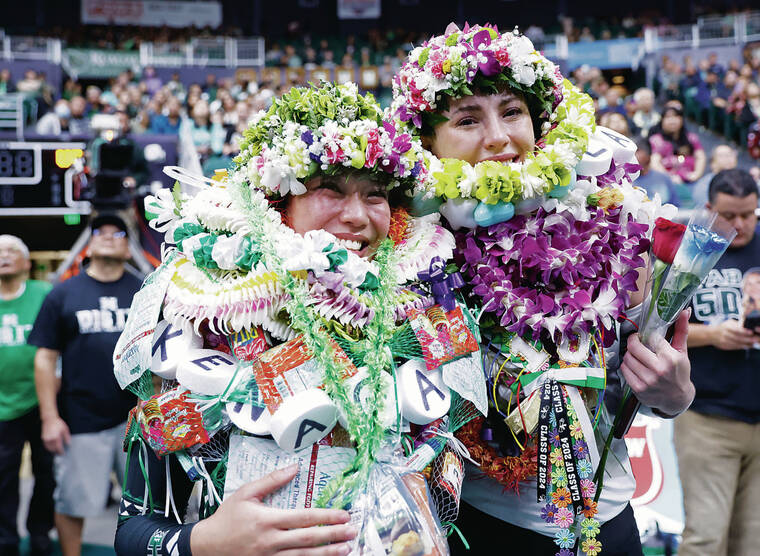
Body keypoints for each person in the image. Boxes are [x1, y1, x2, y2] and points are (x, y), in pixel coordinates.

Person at [114, 82, 461, 556]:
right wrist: (204, 542)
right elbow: (134, 533)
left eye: (375, 194)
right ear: (277, 203)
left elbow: (449, 489)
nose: (357, 216)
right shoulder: (199, 319)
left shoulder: (425, 319)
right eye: (329, 189)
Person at [391, 24, 693, 555]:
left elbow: (661, 386)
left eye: (512, 112)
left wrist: (674, 394)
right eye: (467, 120)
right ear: (425, 143)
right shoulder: (412, 254)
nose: (499, 137)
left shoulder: (613, 222)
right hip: (480, 528)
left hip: (611, 524)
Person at [28, 214, 142, 556]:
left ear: (128, 245)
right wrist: (49, 417)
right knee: (74, 502)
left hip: (139, 419)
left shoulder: (144, 291)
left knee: (146, 507)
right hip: (80, 418)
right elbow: (45, 358)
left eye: (117, 232)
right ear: (89, 245)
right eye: (100, 232)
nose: (108, 237)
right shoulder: (63, 293)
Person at [674, 169, 760, 556]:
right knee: (706, 539)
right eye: (730, 215)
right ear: (709, 209)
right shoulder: (693, 252)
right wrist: (713, 335)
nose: (740, 225)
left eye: (749, 214)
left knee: (752, 542)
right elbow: (655, 328)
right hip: (708, 419)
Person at [0, 236, 54, 556]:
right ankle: (6, 540)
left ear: (26, 263)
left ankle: (40, 533)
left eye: (11, 252)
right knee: (3, 477)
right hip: (2, 407)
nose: (4, 257)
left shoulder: (45, 294)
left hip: (43, 401)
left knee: (47, 474)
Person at [648, 103, 706, 184]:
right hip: (666, 181)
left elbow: (701, 157)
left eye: (676, 116)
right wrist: (670, 178)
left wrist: (696, 174)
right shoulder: (656, 140)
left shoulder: (691, 138)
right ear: (662, 121)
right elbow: (655, 163)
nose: (672, 120)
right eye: (668, 117)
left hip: (691, 180)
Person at [634, 137, 680, 206]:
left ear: (648, 155)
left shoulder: (663, 178)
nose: (633, 156)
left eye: (637, 151)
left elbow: (676, 207)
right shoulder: (624, 181)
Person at [690, 144, 738, 209]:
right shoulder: (705, 184)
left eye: (730, 154)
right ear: (713, 163)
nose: (728, 158)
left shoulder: (743, 180)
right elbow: (704, 207)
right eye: (722, 155)